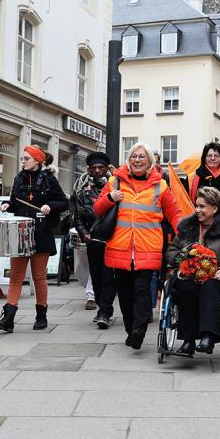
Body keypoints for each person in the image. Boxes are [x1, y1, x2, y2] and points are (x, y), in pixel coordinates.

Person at [94, 142, 183, 349]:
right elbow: (97, 209)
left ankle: (139, 331)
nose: (137, 160)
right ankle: (130, 329)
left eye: (142, 157)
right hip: (120, 247)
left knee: (142, 291)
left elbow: (175, 214)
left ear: (150, 162)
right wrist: (109, 197)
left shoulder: (160, 185)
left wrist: (186, 234)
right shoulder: (114, 182)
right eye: (134, 156)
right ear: (128, 159)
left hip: (148, 247)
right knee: (124, 294)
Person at [0, 145, 69, 333]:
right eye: (22, 158)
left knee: (39, 276)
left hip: (41, 232)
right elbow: (14, 202)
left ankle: (41, 315)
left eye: (26, 158)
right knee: (16, 276)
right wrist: (6, 205)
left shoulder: (49, 179)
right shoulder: (19, 178)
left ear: (37, 160)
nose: (23, 161)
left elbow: (64, 202)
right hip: (20, 232)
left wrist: (49, 206)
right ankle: (8, 318)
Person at [166, 187, 220, 355]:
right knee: (187, 287)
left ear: (214, 208)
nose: (197, 210)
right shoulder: (187, 226)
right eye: (197, 206)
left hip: (215, 276)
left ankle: (208, 336)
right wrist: (183, 259)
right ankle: (188, 341)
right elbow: (171, 251)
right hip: (189, 275)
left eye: (202, 206)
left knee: (209, 287)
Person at [70, 151, 118, 328]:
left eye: (101, 167)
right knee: (96, 277)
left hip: (112, 241)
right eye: (94, 168)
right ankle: (102, 306)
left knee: (108, 277)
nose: (97, 171)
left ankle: (105, 311)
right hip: (93, 241)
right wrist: (84, 234)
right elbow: (77, 217)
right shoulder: (83, 192)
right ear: (89, 170)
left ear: (106, 169)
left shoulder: (115, 189)